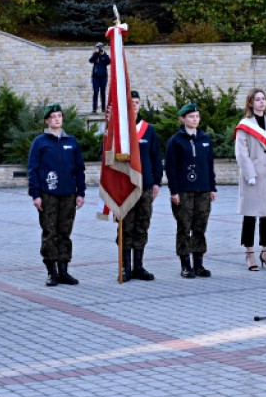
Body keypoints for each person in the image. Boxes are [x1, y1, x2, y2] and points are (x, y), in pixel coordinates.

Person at [28, 104, 86, 286]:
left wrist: (81, 192)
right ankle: (51, 271)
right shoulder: (40, 142)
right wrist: (35, 194)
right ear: (47, 120)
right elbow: (33, 169)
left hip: (68, 194)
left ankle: (64, 270)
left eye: (59, 116)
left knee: (65, 232)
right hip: (48, 195)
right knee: (50, 232)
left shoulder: (71, 142)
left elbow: (79, 169)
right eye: (53, 116)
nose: (57, 119)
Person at [234, 89, 266, 271]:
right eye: (257, 99)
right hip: (253, 176)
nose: (262, 102)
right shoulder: (245, 125)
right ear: (250, 103)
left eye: (263, 99)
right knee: (250, 216)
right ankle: (249, 253)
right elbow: (241, 152)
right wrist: (250, 174)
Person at [165, 103, 217, 278]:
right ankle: (185, 264)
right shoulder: (175, 141)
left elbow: (209, 165)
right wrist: (174, 191)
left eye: (197, 116)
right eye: (191, 116)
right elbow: (170, 168)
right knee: (184, 227)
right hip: (184, 191)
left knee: (200, 226)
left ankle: (199, 263)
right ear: (182, 119)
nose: (195, 119)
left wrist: (212, 187)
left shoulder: (204, 139)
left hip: (202, 190)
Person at [117, 91, 161, 281]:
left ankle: (139, 266)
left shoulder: (148, 130)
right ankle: (125, 267)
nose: (134, 105)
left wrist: (157, 181)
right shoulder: (118, 130)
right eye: (130, 102)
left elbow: (156, 157)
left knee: (142, 225)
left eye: (136, 102)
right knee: (126, 226)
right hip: (125, 186)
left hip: (145, 185)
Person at [89, 43, 110, 113]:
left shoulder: (105, 55)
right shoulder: (95, 55)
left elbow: (109, 61)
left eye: (100, 48)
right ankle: (94, 109)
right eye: (98, 48)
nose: (100, 49)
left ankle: (103, 109)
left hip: (103, 77)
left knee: (103, 92)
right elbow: (91, 60)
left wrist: (103, 53)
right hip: (95, 77)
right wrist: (96, 54)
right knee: (95, 92)